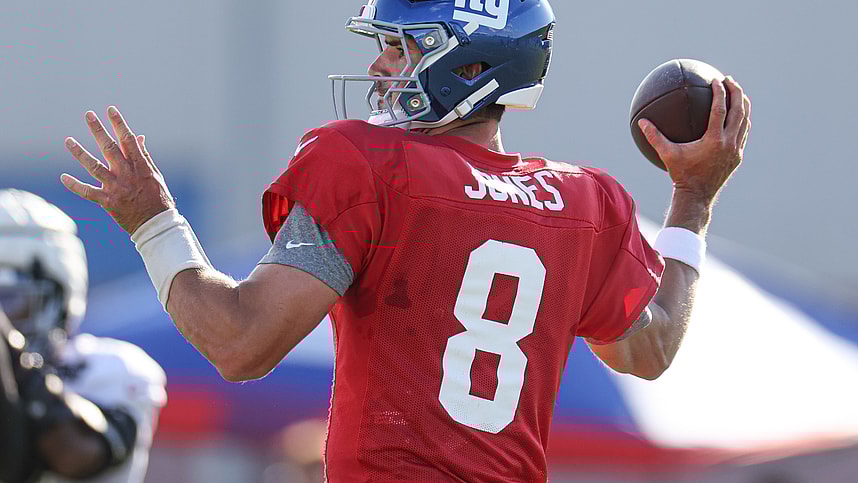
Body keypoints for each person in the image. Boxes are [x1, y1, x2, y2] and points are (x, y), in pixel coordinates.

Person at [59, 0, 751, 480]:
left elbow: (240, 341)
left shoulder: (368, 167)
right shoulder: (585, 201)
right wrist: (693, 197)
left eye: (404, 46)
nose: (384, 67)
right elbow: (653, 346)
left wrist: (153, 222)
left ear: (474, 67)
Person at [0, 190, 167, 483]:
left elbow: (76, 454)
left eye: (10, 301)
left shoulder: (111, 366)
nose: (6, 318)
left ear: (59, 298)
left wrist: (10, 355)